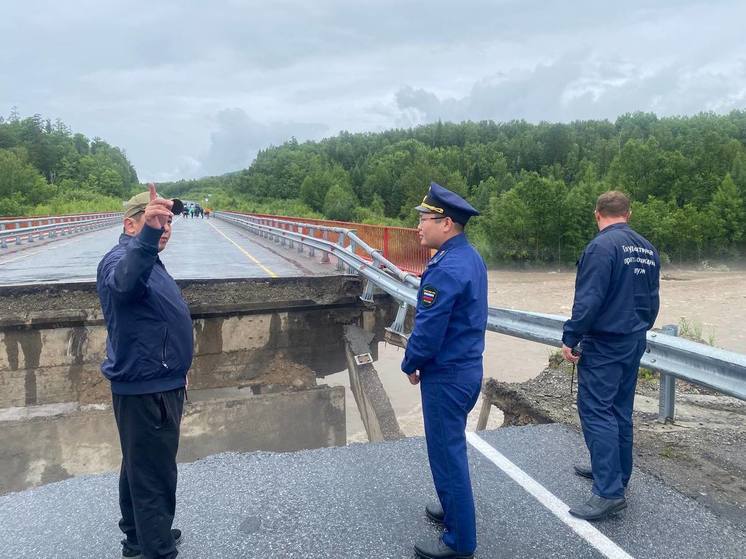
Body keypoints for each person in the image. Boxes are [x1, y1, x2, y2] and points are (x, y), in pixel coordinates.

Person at [97, 184, 194, 558]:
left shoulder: (146, 257)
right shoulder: (121, 259)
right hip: (146, 388)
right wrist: (149, 238)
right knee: (155, 475)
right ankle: (157, 549)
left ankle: (139, 538)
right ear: (130, 225)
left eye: (168, 222)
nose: (165, 228)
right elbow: (123, 285)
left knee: (139, 467)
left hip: (155, 380)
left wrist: (177, 366)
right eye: (154, 221)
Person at [562, 190, 660, 521]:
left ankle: (608, 492)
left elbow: (588, 300)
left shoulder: (600, 247)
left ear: (597, 214)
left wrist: (571, 337)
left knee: (596, 410)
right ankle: (617, 474)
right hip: (634, 338)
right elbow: (653, 300)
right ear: (628, 214)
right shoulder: (647, 248)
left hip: (604, 342)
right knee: (619, 409)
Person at [401, 182, 487, 559]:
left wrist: (411, 362)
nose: (419, 225)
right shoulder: (469, 257)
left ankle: (459, 542)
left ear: (446, 223)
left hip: (447, 375)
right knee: (448, 450)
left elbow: (430, 329)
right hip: (466, 370)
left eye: (425, 218)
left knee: (447, 455)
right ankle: (451, 508)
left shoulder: (445, 268)